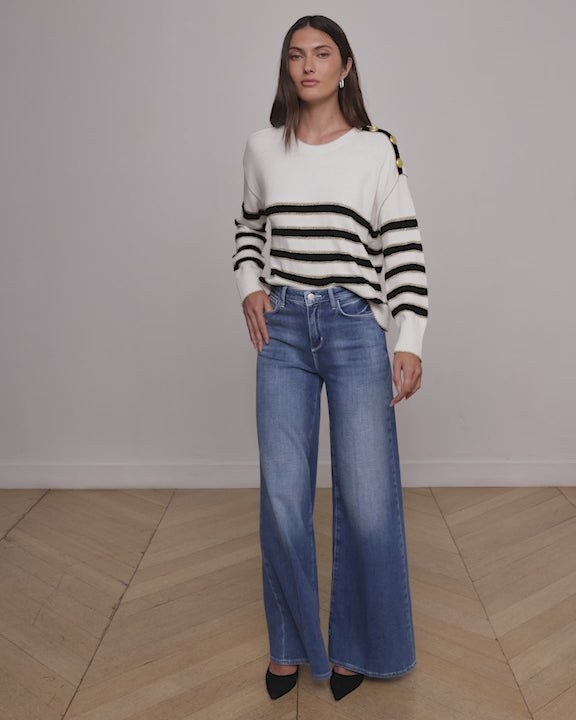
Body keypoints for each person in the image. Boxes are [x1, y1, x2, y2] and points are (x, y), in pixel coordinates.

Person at [233, 15, 428, 702]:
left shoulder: (377, 149)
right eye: (296, 55)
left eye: (322, 54)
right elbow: (248, 228)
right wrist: (250, 285)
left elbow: (403, 248)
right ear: (286, 69)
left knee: (367, 502)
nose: (308, 65)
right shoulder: (263, 146)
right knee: (284, 498)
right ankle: (289, 645)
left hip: (353, 328)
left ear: (346, 67)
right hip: (282, 332)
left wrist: (409, 340)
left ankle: (359, 646)